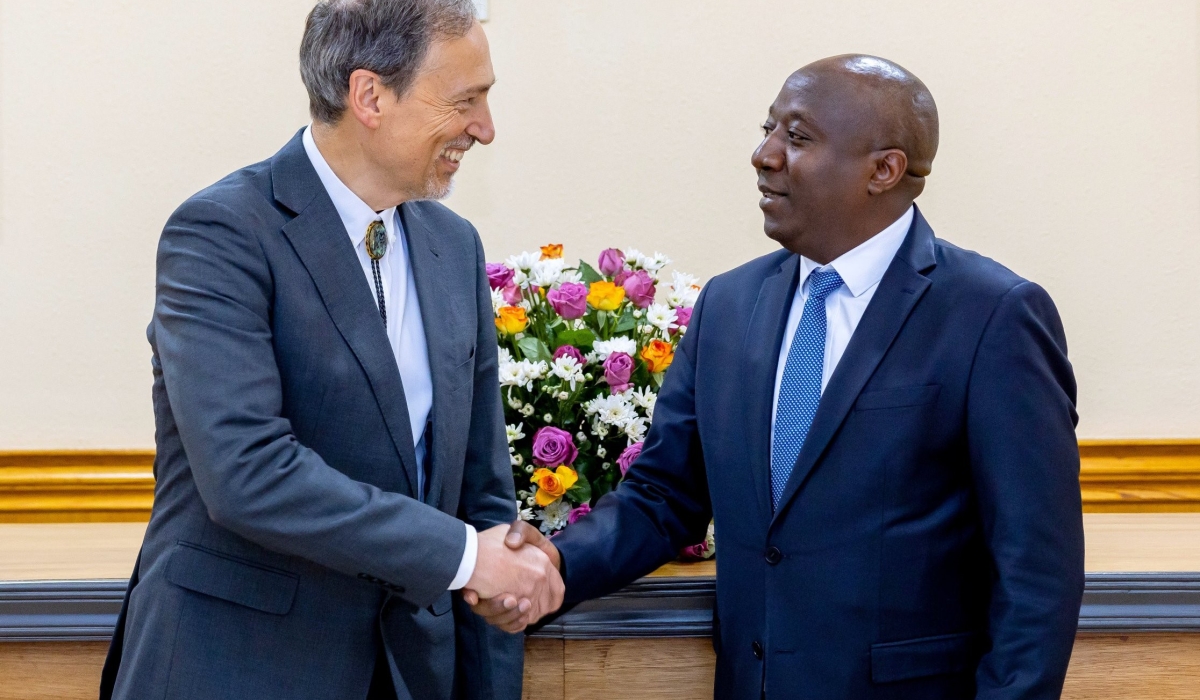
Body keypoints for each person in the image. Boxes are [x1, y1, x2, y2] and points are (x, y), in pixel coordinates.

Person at [474, 55, 1085, 699]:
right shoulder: (730, 305)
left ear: (884, 169)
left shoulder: (993, 314)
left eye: (796, 137)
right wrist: (556, 562)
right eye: (769, 129)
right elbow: (663, 496)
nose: (763, 155)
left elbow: (1036, 573)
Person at [99, 2, 562, 699]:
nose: (485, 129)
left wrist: (499, 591)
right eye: (466, 101)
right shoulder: (222, 234)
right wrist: (466, 559)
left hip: (408, 672)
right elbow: (248, 473)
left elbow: (480, 488)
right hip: (236, 669)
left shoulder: (452, 246)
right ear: (370, 96)